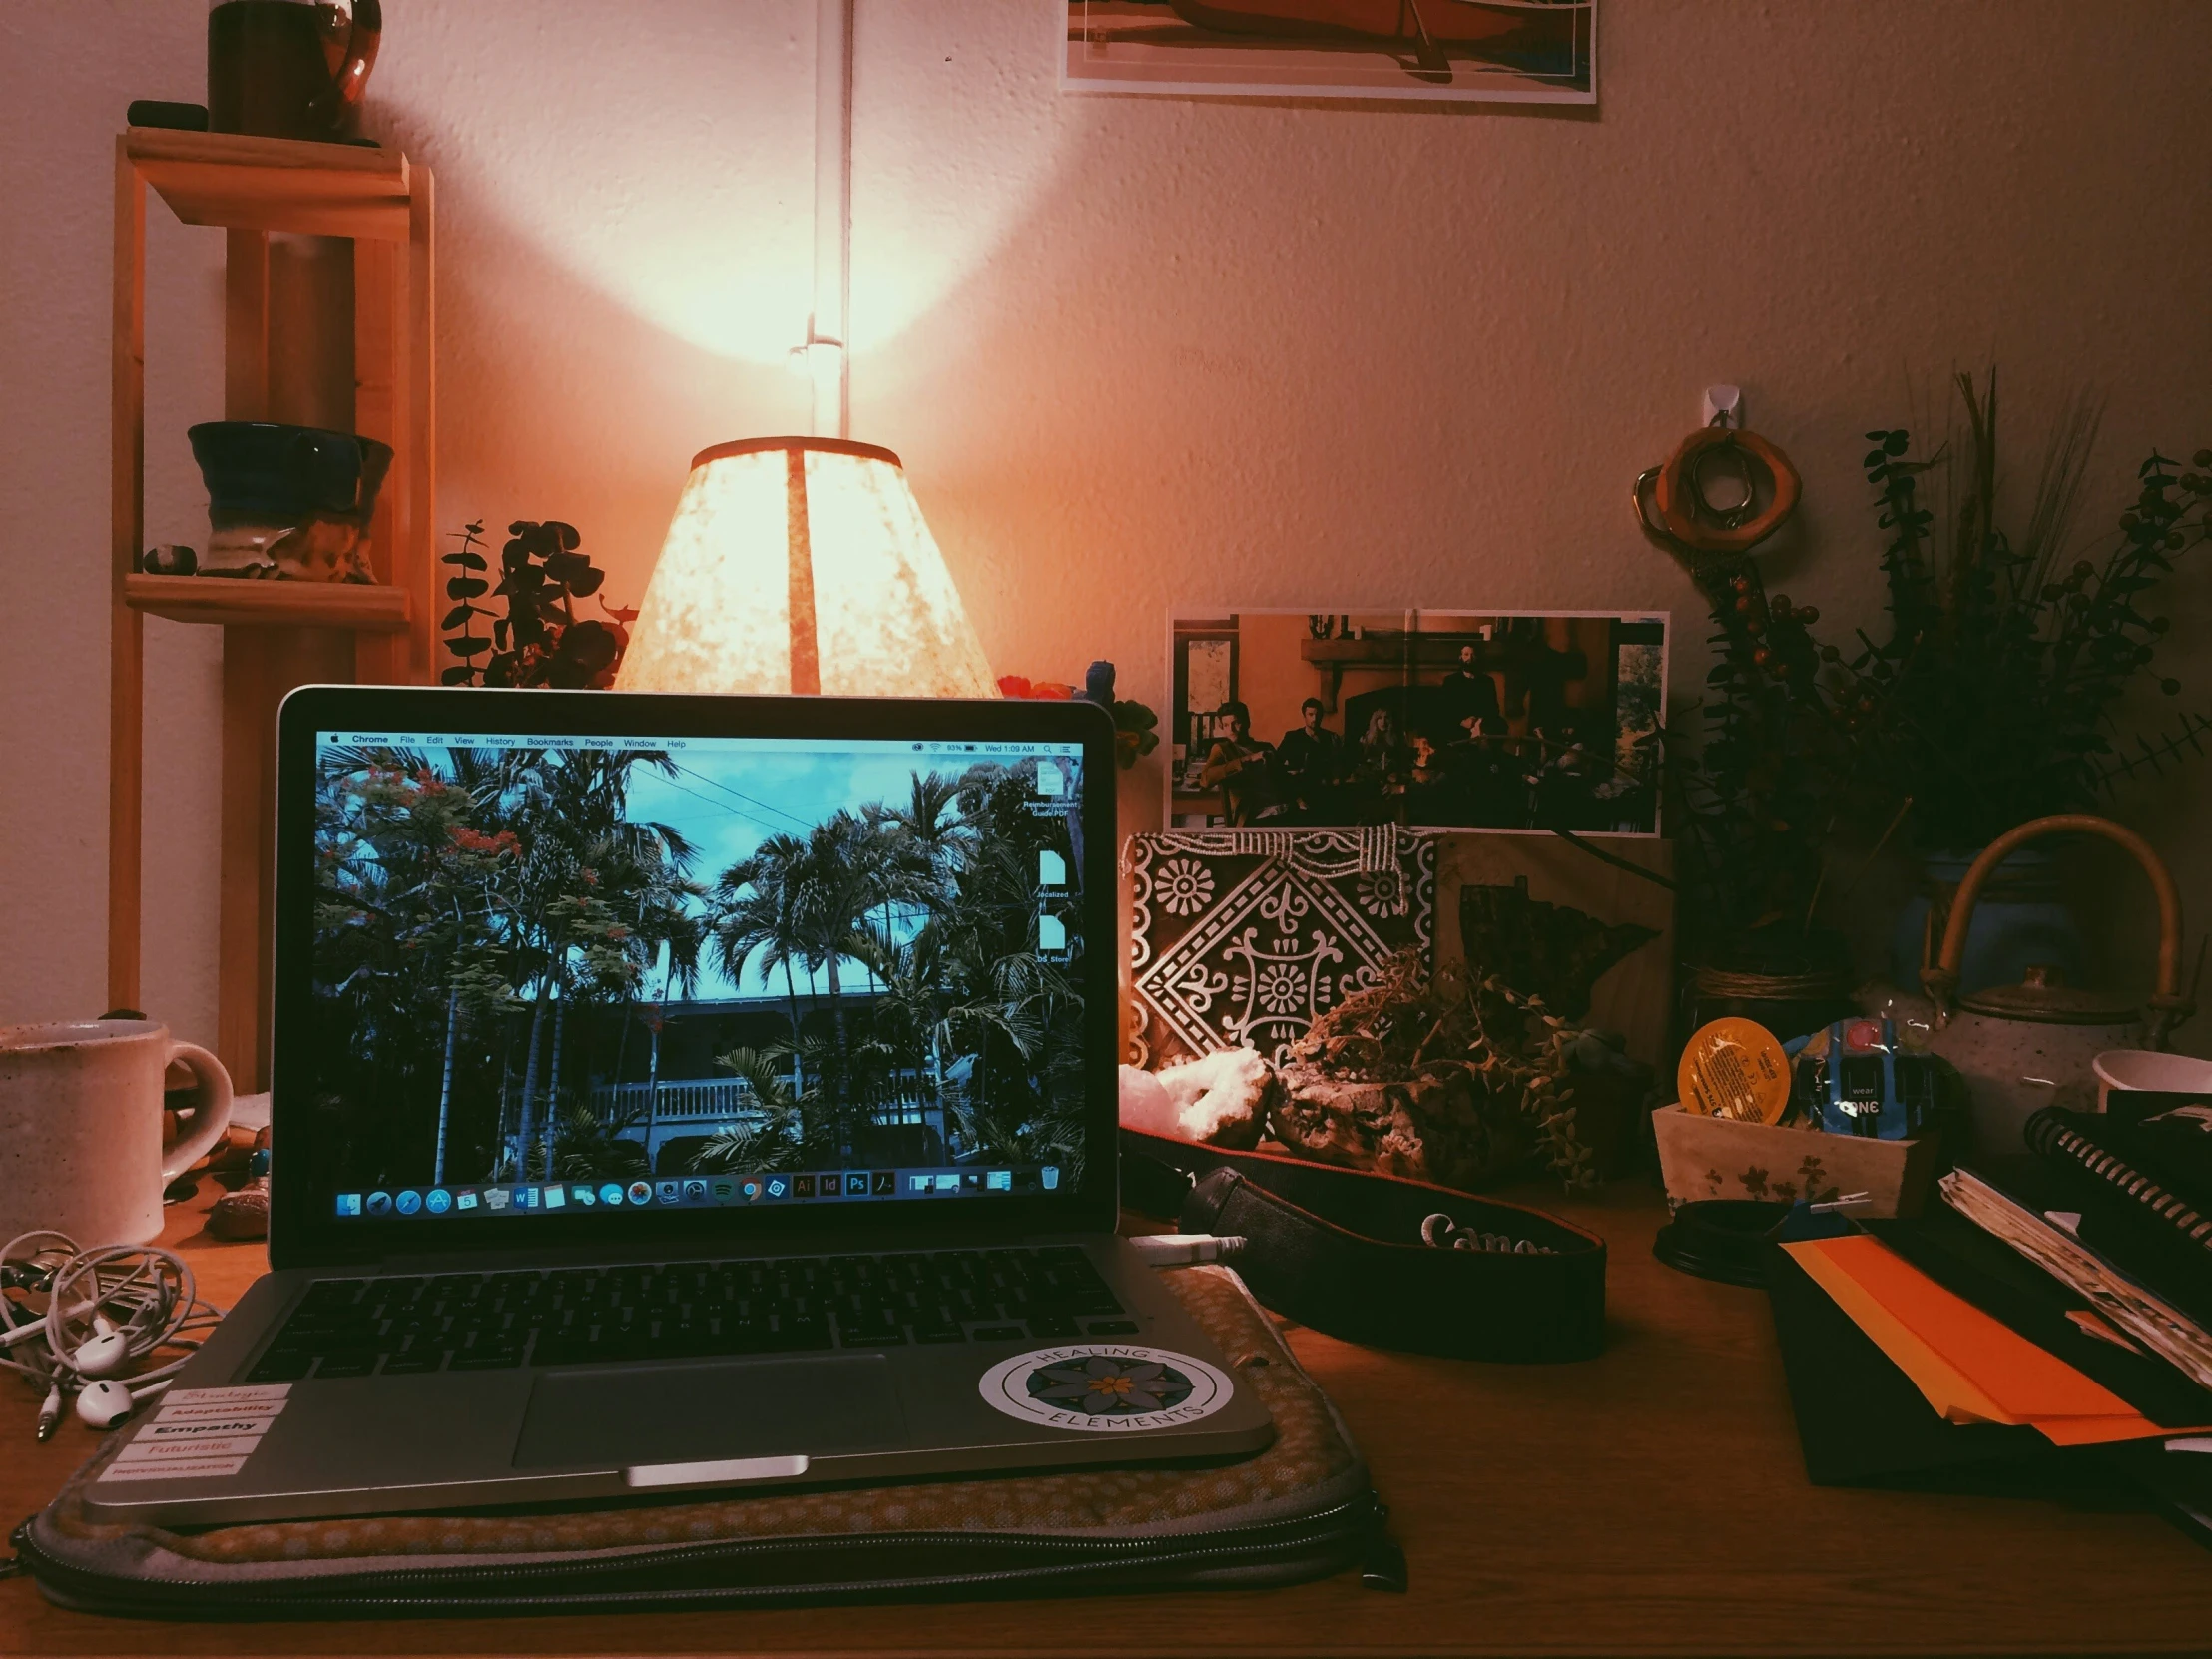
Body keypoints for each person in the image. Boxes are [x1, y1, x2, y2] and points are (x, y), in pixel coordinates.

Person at [1199, 701, 1276, 825]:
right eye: (1226, 725)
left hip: (1276, 807)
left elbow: (1281, 779)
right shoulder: (1222, 748)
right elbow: (1205, 779)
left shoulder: (1265, 747)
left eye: (1236, 723)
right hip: (1250, 813)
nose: (1231, 729)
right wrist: (1247, 759)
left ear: (1247, 722)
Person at [1273, 698, 1345, 821]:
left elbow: (1339, 763)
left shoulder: (1330, 738)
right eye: (1310, 714)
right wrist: (1291, 772)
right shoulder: (1292, 737)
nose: (1314, 719)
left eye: (1317, 715)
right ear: (1304, 715)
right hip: (1299, 789)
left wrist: (1336, 777)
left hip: (1325, 788)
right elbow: (1276, 763)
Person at [1439, 643, 1502, 733]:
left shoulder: (1487, 681)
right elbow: (1445, 708)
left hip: (1482, 723)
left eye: (1473, 655)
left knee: (1499, 725)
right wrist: (1461, 721)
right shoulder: (1451, 681)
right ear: (1460, 657)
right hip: (1458, 725)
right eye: (1466, 654)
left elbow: (1493, 708)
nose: (1470, 658)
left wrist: (1479, 721)